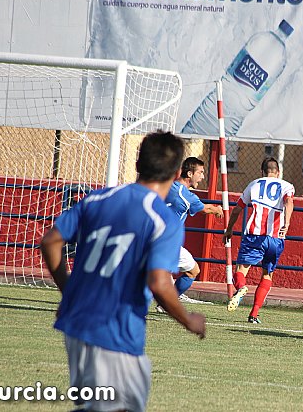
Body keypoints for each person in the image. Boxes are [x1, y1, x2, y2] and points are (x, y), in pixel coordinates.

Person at [40, 131, 206, 411]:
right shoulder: (163, 219)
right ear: (178, 173)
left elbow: (51, 242)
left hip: (78, 323)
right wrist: (188, 320)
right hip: (115, 328)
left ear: (138, 164)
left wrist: (69, 291)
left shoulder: (97, 199)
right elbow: (159, 282)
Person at [222, 157, 295, 324]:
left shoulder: (254, 184)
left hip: (254, 235)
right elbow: (289, 201)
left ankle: (241, 288)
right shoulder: (287, 185)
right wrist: (287, 223)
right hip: (276, 238)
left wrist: (229, 229)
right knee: (267, 275)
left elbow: (237, 209)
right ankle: (254, 314)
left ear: (262, 172)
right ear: (278, 172)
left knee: (241, 270)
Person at [156, 157, 223, 311]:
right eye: (200, 172)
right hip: (167, 243)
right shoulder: (186, 195)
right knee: (193, 271)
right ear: (189, 174)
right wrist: (217, 209)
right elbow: (205, 209)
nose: (202, 177)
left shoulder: (167, 185)